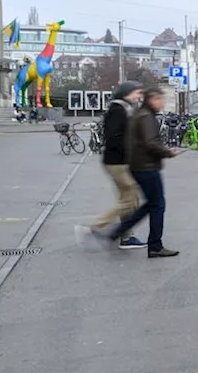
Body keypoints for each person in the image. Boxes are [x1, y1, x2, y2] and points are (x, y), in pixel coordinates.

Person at [95, 87, 180, 258]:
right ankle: (155, 245)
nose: (162, 103)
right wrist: (167, 152)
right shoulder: (146, 117)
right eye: (160, 100)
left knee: (150, 204)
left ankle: (118, 232)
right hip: (147, 167)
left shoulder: (137, 113)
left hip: (139, 166)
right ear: (152, 100)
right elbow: (151, 142)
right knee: (157, 205)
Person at [77, 81, 147, 250]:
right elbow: (115, 138)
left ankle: (125, 235)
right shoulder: (118, 111)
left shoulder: (123, 109)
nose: (139, 96)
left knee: (129, 198)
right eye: (137, 93)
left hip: (119, 161)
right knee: (130, 200)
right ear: (127, 93)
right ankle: (93, 228)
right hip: (118, 162)